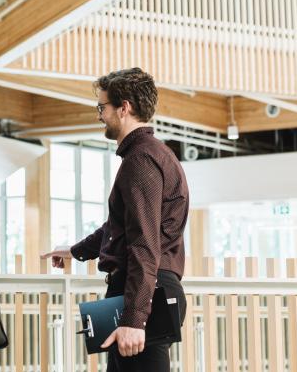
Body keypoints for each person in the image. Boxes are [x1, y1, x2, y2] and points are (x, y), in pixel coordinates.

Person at [42, 68, 188, 372]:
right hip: (146, 291)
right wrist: (76, 251)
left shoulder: (141, 160)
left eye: (102, 107)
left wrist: (135, 319)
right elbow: (121, 227)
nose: (99, 115)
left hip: (145, 294)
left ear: (125, 108)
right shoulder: (152, 154)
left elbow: (145, 244)